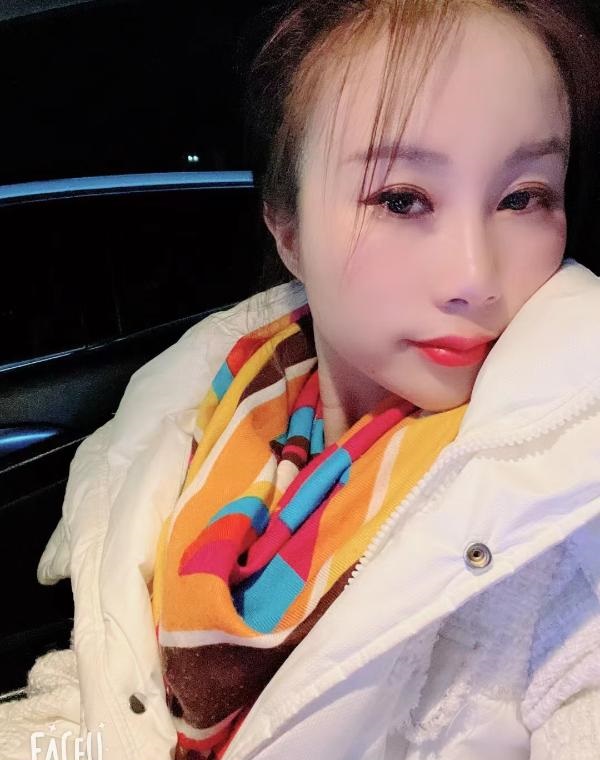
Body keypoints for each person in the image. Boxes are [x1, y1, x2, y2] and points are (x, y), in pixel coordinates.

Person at [2, 0, 600, 758]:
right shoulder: (204, 410)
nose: (476, 279)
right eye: (402, 199)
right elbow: (104, 685)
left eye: (523, 198)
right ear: (287, 229)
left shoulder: (569, 499)